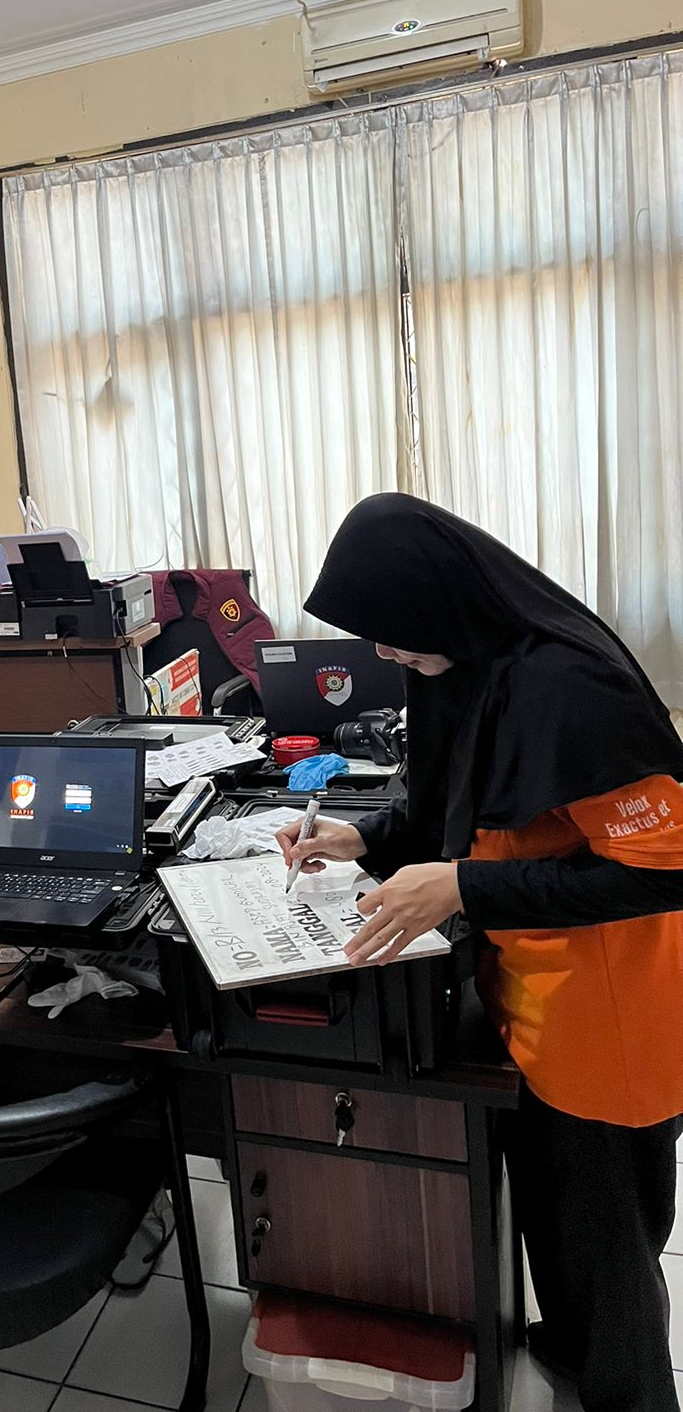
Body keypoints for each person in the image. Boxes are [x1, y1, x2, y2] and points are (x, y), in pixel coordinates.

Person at [279, 493, 683, 1412]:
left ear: (437, 603)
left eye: (391, 636)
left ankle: (628, 1393)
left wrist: (464, 888)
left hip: (609, 1013)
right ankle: (571, 1347)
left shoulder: (568, 687)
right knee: (552, 1205)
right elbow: (454, 808)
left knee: (610, 1245)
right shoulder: (458, 663)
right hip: (531, 995)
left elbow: (664, 871)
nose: (384, 655)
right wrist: (361, 836)